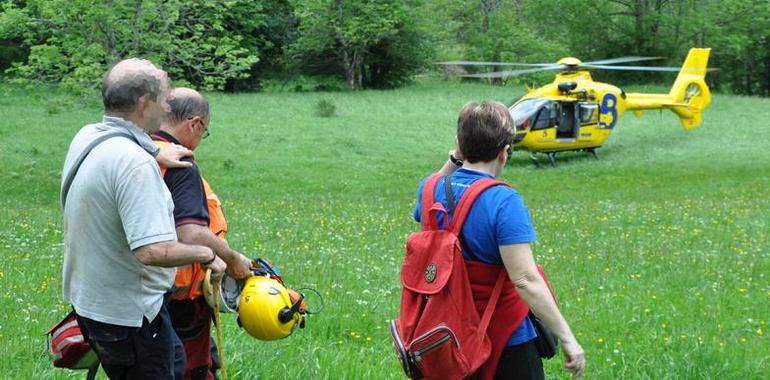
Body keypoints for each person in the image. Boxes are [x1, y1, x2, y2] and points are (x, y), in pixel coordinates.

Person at [61, 58, 227, 379]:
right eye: (163, 99)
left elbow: (120, 144)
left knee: (174, 362)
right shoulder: (135, 165)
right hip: (130, 317)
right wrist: (207, 254)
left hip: (91, 303)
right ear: (143, 103)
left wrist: (155, 151)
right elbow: (151, 252)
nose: (167, 108)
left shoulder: (88, 136)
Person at [413, 101, 585, 380]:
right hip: (505, 339)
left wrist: (455, 158)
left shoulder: (430, 188)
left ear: (459, 144)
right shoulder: (503, 201)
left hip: (445, 333)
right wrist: (567, 337)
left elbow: (431, 189)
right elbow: (525, 279)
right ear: (504, 153)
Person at [152, 87, 253, 379]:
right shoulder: (180, 164)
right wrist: (231, 259)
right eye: (203, 131)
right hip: (180, 299)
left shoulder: (135, 153)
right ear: (194, 123)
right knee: (190, 370)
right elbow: (191, 233)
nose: (199, 141)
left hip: (140, 297)